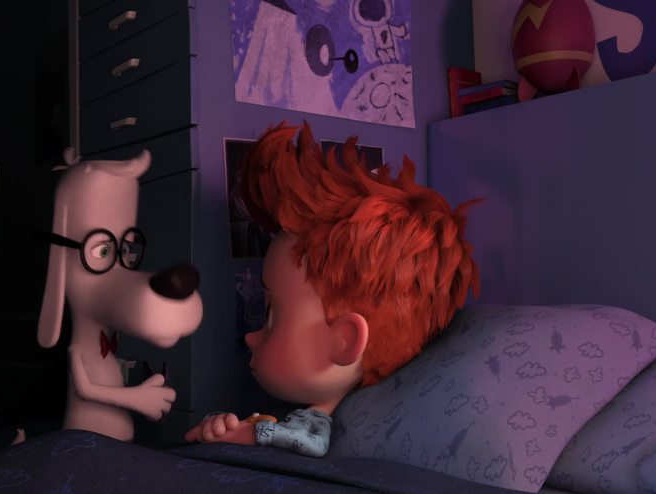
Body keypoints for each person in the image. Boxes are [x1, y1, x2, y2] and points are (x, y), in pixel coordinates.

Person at [185, 121, 480, 457]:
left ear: (343, 341)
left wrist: (253, 434)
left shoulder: (316, 420)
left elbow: (308, 442)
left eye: (271, 315)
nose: (251, 337)